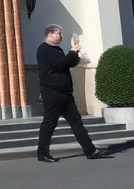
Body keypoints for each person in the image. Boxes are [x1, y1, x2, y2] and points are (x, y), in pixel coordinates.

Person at [36, 24, 109, 162]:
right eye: (59, 33)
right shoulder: (44, 49)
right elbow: (60, 65)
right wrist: (71, 52)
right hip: (53, 93)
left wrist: (75, 52)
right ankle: (42, 154)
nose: (61, 36)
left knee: (76, 122)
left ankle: (91, 150)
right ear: (50, 34)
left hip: (65, 94)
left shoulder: (56, 49)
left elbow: (70, 63)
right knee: (49, 123)